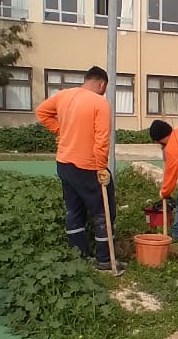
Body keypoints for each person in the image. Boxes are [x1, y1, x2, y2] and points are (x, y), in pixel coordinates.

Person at [35, 66, 119, 272]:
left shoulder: (63, 95)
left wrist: (60, 130)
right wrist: (101, 167)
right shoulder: (100, 103)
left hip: (64, 163)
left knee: (74, 209)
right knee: (103, 211)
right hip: (88, 166)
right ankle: (104, 259)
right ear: (102, 84)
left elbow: (41, 113)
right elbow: (102, 139)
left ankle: (78, 255)